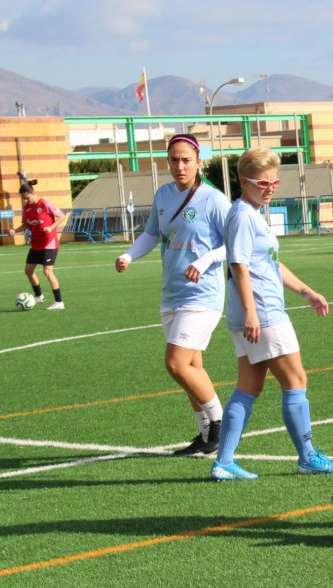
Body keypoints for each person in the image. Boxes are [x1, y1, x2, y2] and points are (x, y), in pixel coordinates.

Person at [209, 147, 333, 480]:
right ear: (244, 182)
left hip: (254, 313)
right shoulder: (242, 214)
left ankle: (224, 462)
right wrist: (253, 313)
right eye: (263, 183)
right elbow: (239, 265)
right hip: (263, 314)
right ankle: (308, 457)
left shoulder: (254, 212)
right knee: (296, 380)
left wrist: (306, 291)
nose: (270, 188)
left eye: (274, 182)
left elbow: (269, 263)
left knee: (249, 386)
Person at [115, 134, 231, 456]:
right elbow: (152, 234)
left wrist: (205, 259)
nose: (179, 166)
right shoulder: (163, 195)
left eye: (186, 160)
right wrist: (128, 256)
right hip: (171, 294)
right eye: (174, 160)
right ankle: (205, 435)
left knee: (176, 363)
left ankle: (222, 425)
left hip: (203, 295)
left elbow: (234, 242)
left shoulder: (213, 199)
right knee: (192, 367)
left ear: (198, 162)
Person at [11, 180, 68, 310]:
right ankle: (39, 296)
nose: (25, 201)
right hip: (36, 244)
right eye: (23, 199)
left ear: (32, 193)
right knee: (28, 270)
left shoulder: (45, 203)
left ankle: (59, 302)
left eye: (26, 198)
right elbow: (26, 224)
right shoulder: (26, 209)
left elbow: (61, 216)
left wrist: (51, 227)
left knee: (47, 272)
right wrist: (15, 230)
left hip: (49, 243)